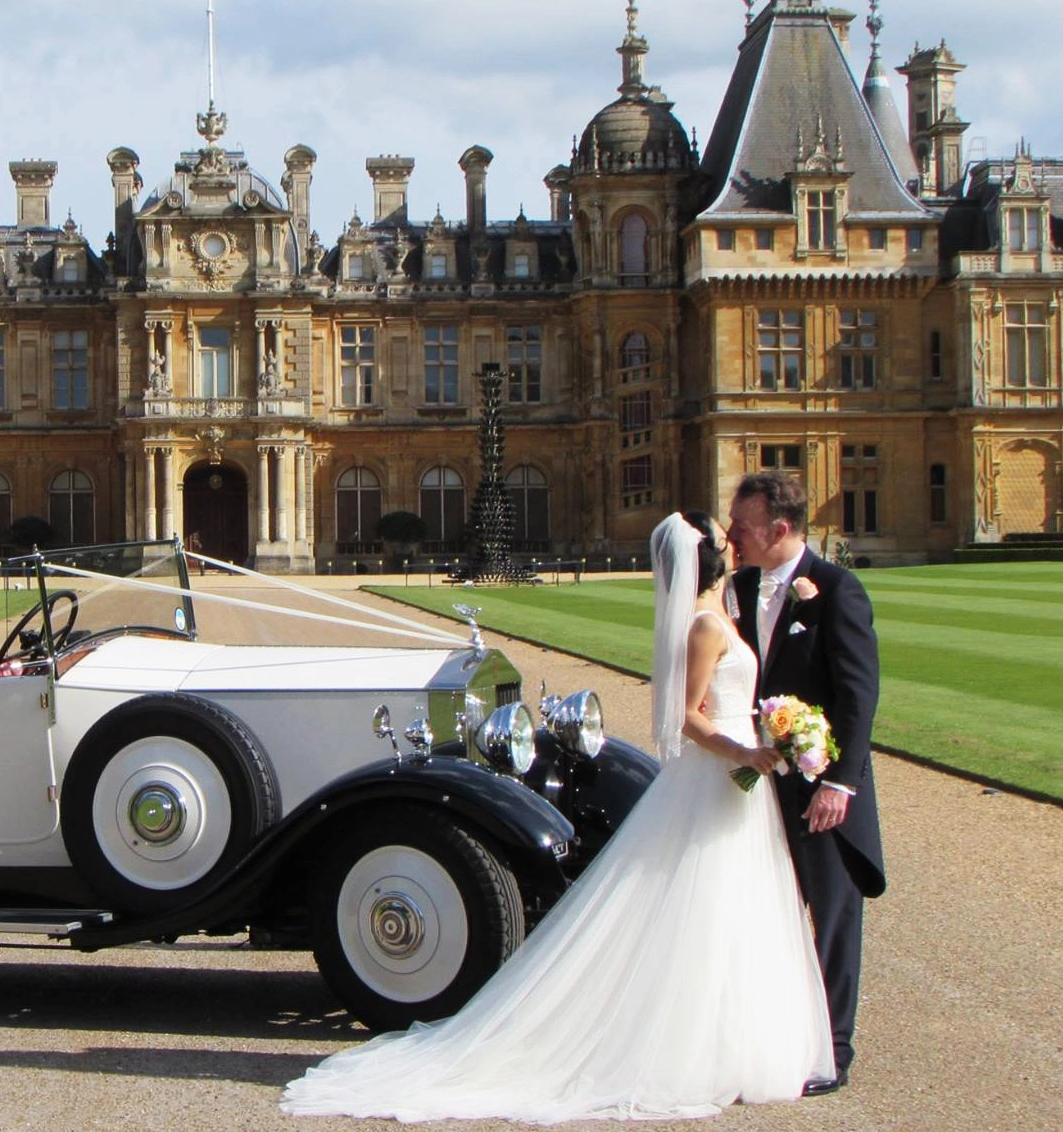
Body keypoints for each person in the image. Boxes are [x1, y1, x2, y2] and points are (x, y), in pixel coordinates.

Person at [281, 512, 833, 1123]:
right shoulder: (705, 625)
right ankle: (697, 1049)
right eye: (727, 536)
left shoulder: (725, 609)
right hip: (720, 774)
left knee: (731, 909)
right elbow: (687, 718)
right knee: (703, 908)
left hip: (735, 785)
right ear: (713, 558)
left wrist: (778, 727)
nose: (738, 537)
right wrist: (749, 750)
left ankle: (733, 1043)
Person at [725, 472, 884, 1095]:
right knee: (768, 911)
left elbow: (858, 696)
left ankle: (834, 1050)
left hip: (820, 784)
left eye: (742, 525)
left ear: (779, 529)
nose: (734, 534)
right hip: (757, 783)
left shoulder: (838, 590)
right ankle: (779, 1038)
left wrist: (840, 785)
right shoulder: (735, 588)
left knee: (833, 916)